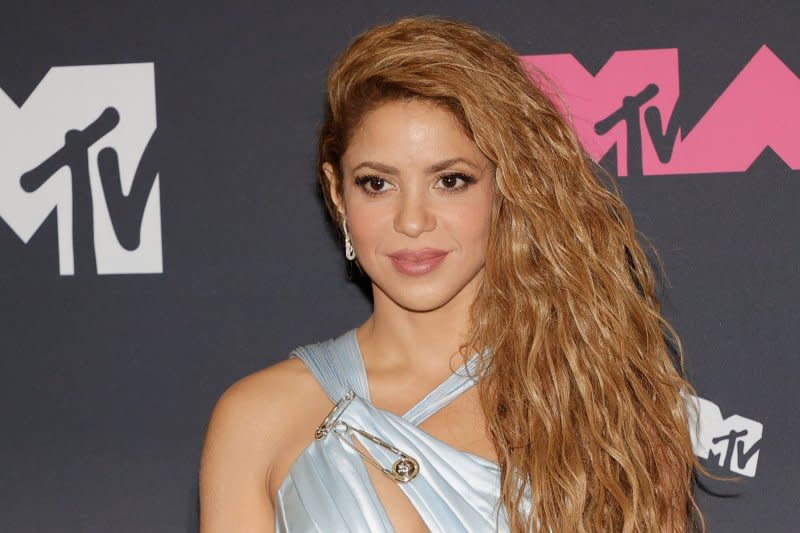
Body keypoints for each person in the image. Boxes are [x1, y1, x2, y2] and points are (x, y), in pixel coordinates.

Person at [199, 16, 703, 532]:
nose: (412, 221)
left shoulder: (605, 408)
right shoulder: (258, 419)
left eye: (451, 180)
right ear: (336, 192)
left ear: (506, 186)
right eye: (377, 184)